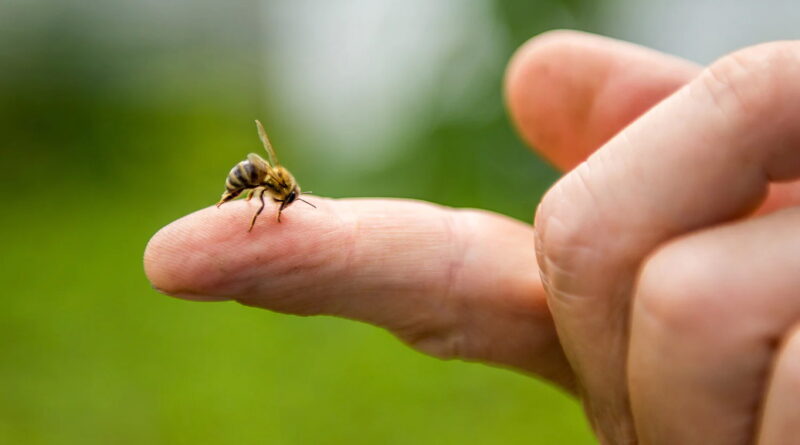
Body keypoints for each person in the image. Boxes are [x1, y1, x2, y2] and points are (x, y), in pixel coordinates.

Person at [144, 30, 800, 444]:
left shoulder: (278, 186)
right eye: (283, 198)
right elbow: (260, 181)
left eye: (282, 198)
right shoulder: (269, 184)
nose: (283, 200)